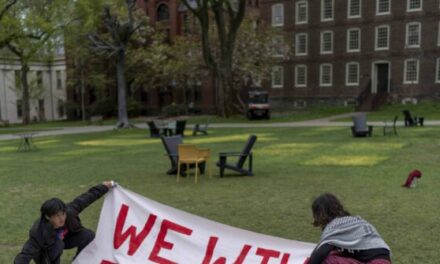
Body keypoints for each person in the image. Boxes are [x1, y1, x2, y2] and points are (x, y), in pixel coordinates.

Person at [14, 181, 115, 264]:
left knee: (88, 235)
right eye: (57, 216)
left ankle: (78, 261)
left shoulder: (69, 212)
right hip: (46, 251)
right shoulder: (39, 231)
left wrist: (104, 186)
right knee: (58, 245)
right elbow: (25, 254)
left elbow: (86, 198)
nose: (62, 218)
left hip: (66, 240)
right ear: (48, 217)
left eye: (62, 214)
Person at [306, 193, 391, 264]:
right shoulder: (356, 220)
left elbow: (321, 253)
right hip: (385, 260)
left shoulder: (334, 226)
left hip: (373, 262)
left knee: (326, 259)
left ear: (319, 214)